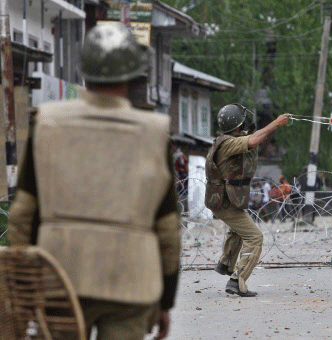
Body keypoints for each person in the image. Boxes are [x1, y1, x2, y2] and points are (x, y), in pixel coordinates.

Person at [7, 23, 180, 340]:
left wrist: (23, 286)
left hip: (59, 279)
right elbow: (167, 229)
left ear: (84, 71)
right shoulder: (155, 133)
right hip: (132, 284)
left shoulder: (46, 124)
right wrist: (166, 300)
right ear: (132, 76)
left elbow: (21, 214)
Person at [205, 103, 289, 296]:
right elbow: (252, 141)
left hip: (225, 199)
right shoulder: (228, 143)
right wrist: (275, 123)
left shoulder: (225, 139)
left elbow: (251, 137)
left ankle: (225, 263)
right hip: (225, 201)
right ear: (237, 124)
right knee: (255, 237)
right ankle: (237, 280)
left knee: (238, 229)